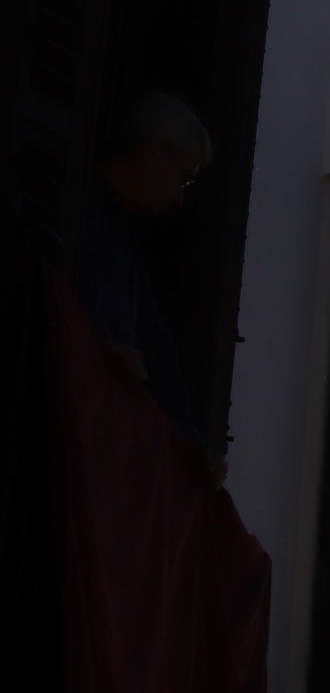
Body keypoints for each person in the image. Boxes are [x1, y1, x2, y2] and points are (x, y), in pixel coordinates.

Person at [77, 91, 213, 445]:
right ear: (154, 152)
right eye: (183, 180)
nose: (179, 199)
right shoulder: (75, 211)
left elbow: (158, 348)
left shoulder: (128, 251)